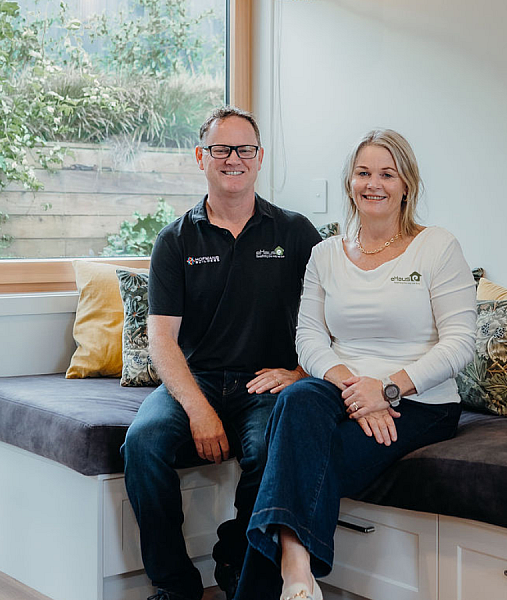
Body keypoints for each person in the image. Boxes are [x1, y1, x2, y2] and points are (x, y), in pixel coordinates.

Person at [232, 129, 477, 600]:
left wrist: (385, 390)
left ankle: (292, 572)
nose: (374, 184)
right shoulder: (325, 254)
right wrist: (355, 388)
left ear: (407, 183)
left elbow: (461, 343)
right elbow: (308, 338)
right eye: (363, 173)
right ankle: (298, 575)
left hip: (421, 403)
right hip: (341, 390)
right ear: (349, 183)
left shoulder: (438, 248)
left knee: (294, 463)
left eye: (387, 173)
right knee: (299, 395)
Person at [122, 106, 323, 600]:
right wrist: (198, 409)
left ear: (259, 158)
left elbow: (332, 318)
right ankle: (175, 586)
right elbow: (163, 340)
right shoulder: (175, 240)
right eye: (220, 149)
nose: (233, 159)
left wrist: (299, 372)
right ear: (201, 157)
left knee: (267, 450)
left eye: (244, 149)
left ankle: (237, 563)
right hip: (199, 379)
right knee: (142, 444)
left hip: (266, 383)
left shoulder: (295, 234)